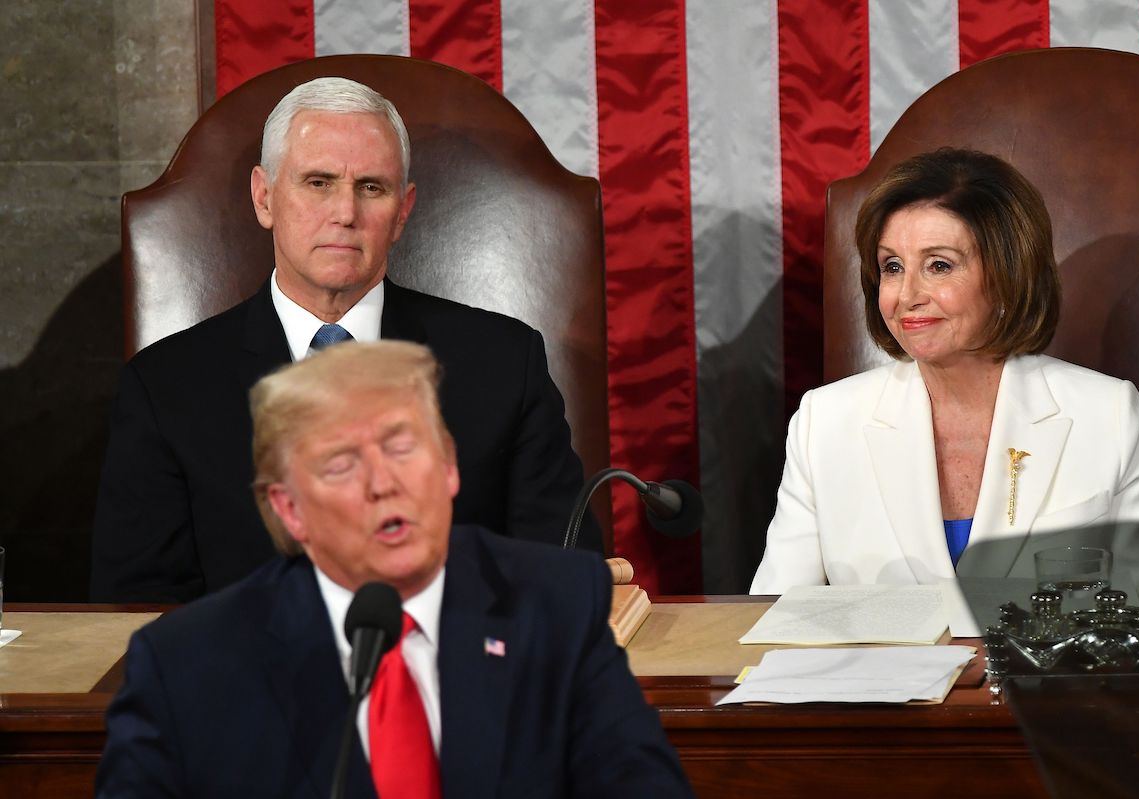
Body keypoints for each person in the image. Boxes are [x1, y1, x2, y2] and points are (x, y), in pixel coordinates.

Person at [96, 341, 692, 798]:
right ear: (289, 510)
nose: (384, 484)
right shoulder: (187, 667)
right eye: (341, 464)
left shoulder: (555, 610)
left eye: (402, 447)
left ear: (451, 467)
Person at [92, 77, 600, 604]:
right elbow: (135, 607)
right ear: (264, 197)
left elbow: (561, 576)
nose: (345, 213)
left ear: (402, 212)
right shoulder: (166, 387)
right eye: (318, 182)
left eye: (371, 188)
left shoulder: (502, 363)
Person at [751, 148, 1139, 593]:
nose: (907, 294)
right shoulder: (824, 421)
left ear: (1008, 277)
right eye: (892, 266)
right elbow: (778, 614)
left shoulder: (1108, 414)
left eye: (939, 265)